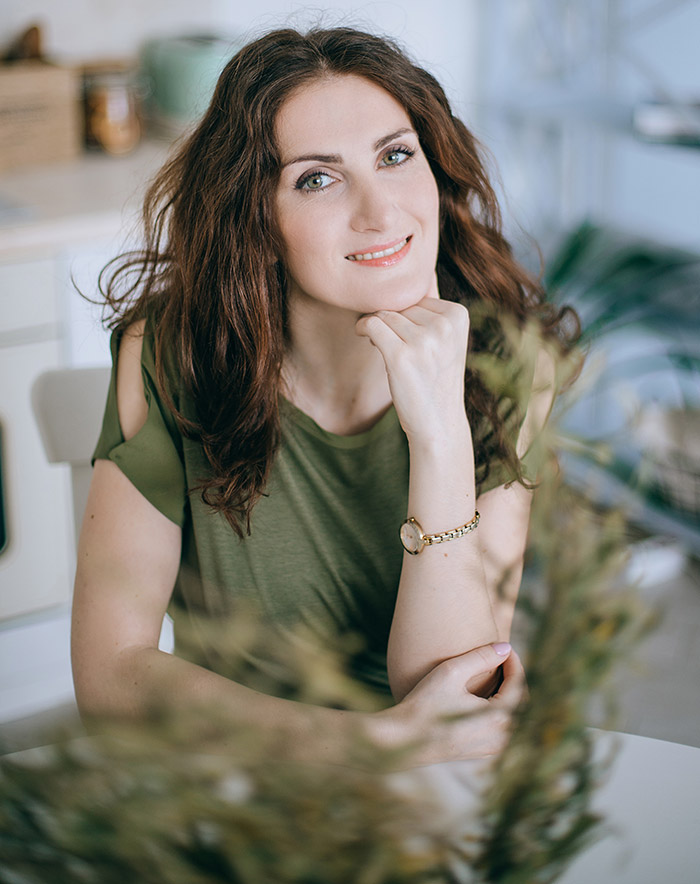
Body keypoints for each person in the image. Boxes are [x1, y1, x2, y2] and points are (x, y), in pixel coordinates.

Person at [71, 27, 577, 768]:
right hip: (238, 768)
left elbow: (453, 694)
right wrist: (368, 743)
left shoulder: (507, 362)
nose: (381, 211)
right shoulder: (172, 355)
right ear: (256, 219)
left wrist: (439, 433)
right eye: (317, 178)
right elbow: (109, 674)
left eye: (395, 156)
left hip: (429, 783)